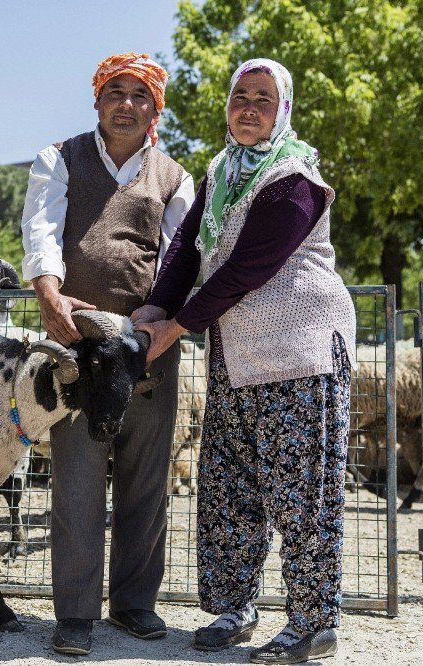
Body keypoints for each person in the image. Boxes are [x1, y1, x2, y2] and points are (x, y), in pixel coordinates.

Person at [133, 58, 356, 665]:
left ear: (282, 109)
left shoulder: (294, 178)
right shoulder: (222, 170)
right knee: (231, 486)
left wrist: (176, 326)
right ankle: (236, 606)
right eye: (240, 96)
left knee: (301, 491)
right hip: (236, 357)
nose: (248, 107)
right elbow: (186, 247)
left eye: (263, 98)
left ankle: (314, 620)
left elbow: (247, 268)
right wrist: (156, 304)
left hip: (298, 352)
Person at [20, 51, 195, 656]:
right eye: (115, 92)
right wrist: (49, 296)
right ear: (97, 100)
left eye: (139, 95)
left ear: (155, 108)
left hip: (148, 347)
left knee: (147, 478)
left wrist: (161, 327)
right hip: (76, 343)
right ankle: (74, 613)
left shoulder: (175, 177)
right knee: (76, 478)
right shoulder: (59, 159)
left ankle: (134, 604)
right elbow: (41, 229)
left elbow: (178, 258)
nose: (126, 103)